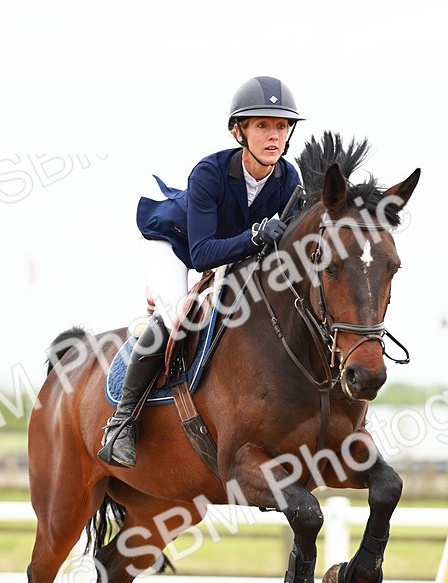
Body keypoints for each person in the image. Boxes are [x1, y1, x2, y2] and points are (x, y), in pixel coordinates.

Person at [98, 75, 305, 467]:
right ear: (238, 131)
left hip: (227, 249)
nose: (274, 135)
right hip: (174, 244)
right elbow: (202, 254)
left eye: (281, 125)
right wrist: (257, 234)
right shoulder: (209, 173)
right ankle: (121, 424)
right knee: (176, 316)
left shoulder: (288, 180)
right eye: (262, 125)